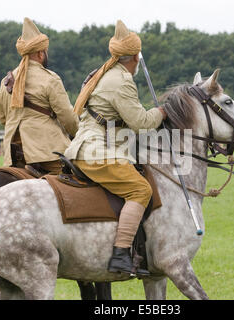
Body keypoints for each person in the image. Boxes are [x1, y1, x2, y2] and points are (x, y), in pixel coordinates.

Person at [65, 20, 167, 276]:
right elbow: (141, 123)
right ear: (134, 57)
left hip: (86, 145)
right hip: (95, 150)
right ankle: (121, 255)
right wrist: (161, 112)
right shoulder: (121, 81)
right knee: (140, 189)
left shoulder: (101, 74)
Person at [0, 17, 79, 175]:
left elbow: (2, 119)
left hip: (14, 155)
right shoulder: (50, 79)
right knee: (82, 179)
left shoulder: (6, 82)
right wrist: (80, 134)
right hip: (46, 153)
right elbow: (68, 119)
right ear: (41, 54)